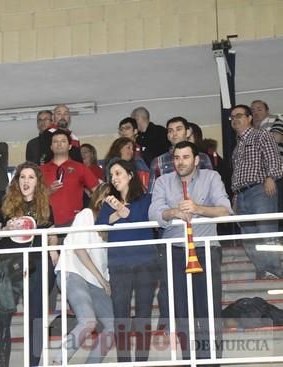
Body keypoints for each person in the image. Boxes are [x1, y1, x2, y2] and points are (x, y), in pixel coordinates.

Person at [149, 141, 232, 364]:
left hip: (206, 249)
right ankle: (189, 360)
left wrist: (198, 209)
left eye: (185, 157)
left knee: (209, 310)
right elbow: (153, 213)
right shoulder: (162, 181)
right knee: (181, 312)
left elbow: (226, 211)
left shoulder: (211, 178)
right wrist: (173, 212)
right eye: (177, 158)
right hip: (173, 251)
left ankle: (212, 360)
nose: (180, 162)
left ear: (196, 160)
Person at [0, 162, 58, 367]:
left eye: (31, 177)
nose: (26, 181)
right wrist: (5, 231)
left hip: (37, 263)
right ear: (16, 180)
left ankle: (33, 364)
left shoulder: (45, 204)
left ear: (37, 182)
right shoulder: (4, 203)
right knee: (1, 317)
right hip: (10, 264)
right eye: (22, 177)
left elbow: (52, 234)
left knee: (35, 317)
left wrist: (53, 253)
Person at [97, 159, 157, 362]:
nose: (114, 179)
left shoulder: (147, 199)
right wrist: (116, 212)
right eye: (111, 175)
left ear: (130, 175)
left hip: (145, 263)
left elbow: (145, 222)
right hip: (119, 263)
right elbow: (100, 227)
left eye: (118, 173)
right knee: (120, 315)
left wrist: (124, 213)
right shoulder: (108, 203)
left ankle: (141, 361)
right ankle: (124, 361)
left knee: (143, 314)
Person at [53, 184, 114, 365]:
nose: (109, 200)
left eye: (113, 198)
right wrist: (103, 281)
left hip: (96, 280)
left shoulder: (111, 225)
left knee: (113, 326)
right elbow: (79, 250)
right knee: (88, 321)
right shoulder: (86, 214)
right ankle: (57, 362)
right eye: (106, 196)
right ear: (98, 196)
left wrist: (104, 280)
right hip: (74, 271)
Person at [230, 104, 283, 279]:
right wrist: (236, 196)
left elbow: (275, 160)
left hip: (260, 190)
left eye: (239, 115)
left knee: (266, 231)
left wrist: (270, 178)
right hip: (241, 194)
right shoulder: (237, 147)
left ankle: (275, 270)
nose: (235, 119)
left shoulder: (262, 135)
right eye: (232, 117)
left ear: (249, 118)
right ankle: (262, 270)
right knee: (249, 236)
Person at [40, 129, 98, 227]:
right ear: (51, 147)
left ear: (70, 146)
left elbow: (98, 191)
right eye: (55, 142)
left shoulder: (80, 167)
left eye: (63, 141)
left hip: (75, 223)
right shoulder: (40, 170)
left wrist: (93, 214)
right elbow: (31, 197)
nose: (59, 144)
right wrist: (48, 191)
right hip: (47, 224)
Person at [149, 117, 213, 191]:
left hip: (198, 201)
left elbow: (211, 187)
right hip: (168, 201)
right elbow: (151, 194)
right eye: (170, 131)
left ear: (188, 133)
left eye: (178, 129)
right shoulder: (158, 162)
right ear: (168, 136)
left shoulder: (202, 158)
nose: (174, 134)